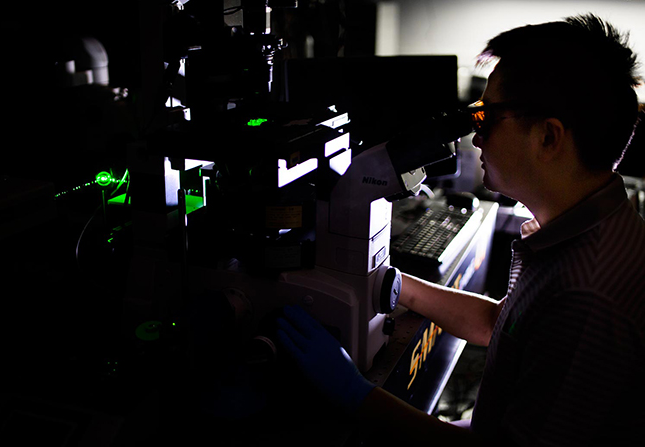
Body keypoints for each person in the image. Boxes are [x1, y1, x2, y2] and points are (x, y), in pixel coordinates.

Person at [276, 13, 645, 446]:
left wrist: (356, 394)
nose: (477, 137)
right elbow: (497, 322)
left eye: (487, 116)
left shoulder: (587, 293)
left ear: (548, 138)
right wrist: (388, 282)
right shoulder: (587, 232)